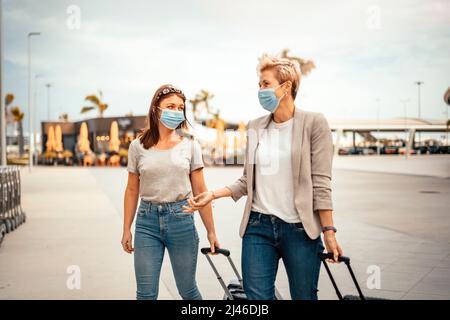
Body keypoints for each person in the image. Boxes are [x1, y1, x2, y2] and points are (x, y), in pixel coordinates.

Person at [184, 55, 343, 300]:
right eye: (259, 85)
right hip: (258, 227)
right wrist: (213, 194)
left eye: (265, 84)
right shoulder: (255, 127)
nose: (260, 90)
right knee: (256, 300)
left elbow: (321, 182)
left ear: (286, 86)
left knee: (304, 296)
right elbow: (248, 180)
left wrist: (329, 231)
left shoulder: (314, 123)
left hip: (300, 230)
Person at [122, 84, 220, 300]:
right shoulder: (137, 147)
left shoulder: (191, 146)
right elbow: (131, 190)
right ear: (156, 109)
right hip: (146, 222)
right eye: (170, 106)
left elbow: (201, 191)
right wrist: (126, 228)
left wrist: (211, 231)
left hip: (181, 220)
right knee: (145, 294)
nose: (176, 111)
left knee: (188, 291)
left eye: (180, 107)